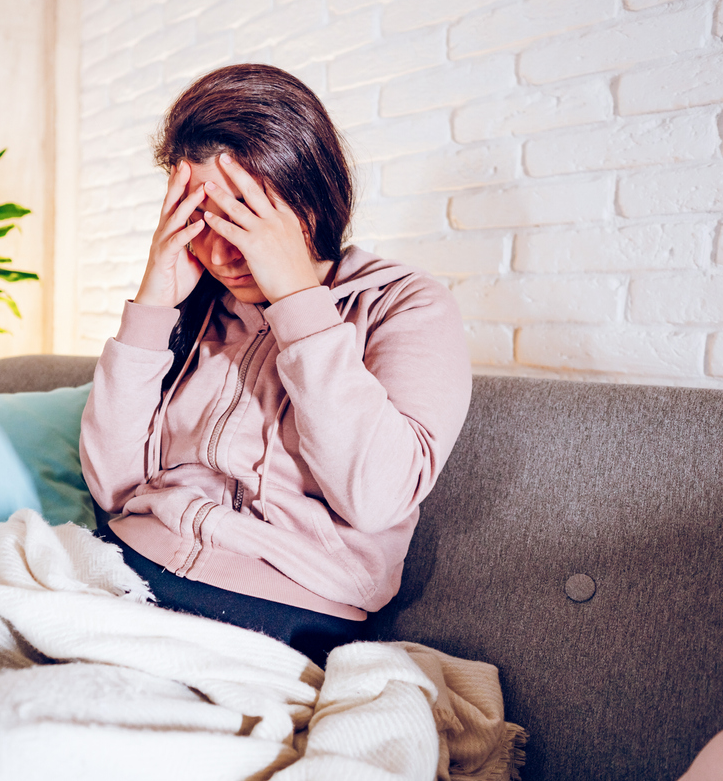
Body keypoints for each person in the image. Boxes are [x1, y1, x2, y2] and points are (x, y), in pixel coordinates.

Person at [79, 64, 472, 666]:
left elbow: (376, 498)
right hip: (123, 567)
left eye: (243, 213)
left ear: (307, 193)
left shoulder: (405, 304)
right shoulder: (199, 308)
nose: (220, 251)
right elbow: (112, 486)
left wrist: (298, 304)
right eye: (201, 217)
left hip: (282, 611)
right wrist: (152, 306)